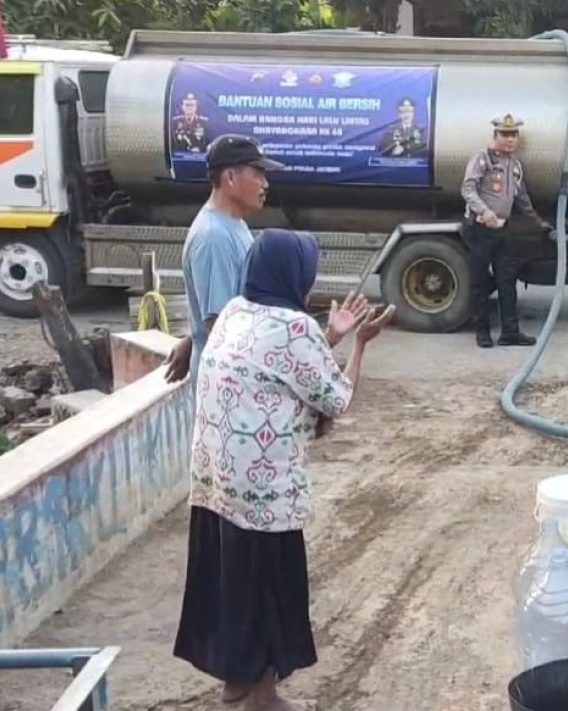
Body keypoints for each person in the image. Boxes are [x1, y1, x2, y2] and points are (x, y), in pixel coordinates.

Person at [174, 228, 395, 711]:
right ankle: (264, 698)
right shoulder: (296, 329)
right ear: (295, 276)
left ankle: (236, 682)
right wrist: (360, 343)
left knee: (231, 582)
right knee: (266, 591)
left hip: (215, 484)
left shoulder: (235, 312)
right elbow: (335, 398)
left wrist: (330, 334)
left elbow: (278, 370)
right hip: (263, 493)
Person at [162, 134, 281, 385]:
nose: (265, 184)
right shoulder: (214, 237)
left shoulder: (232, 223)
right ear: (229, 177)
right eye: (257, 173)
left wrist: (191, 339)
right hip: (226, 387)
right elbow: (220, 325)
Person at [459, 113, 553, 349]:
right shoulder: (483, 160)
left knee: (507, 281)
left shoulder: (515, 165)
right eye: (505, 135)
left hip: (503, 229)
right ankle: (482, 333)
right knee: (479, 283)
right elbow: (468, 189)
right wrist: (485, 211)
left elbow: (521, 198)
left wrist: (536, 221)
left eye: (514, 135)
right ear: (495, 136)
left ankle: (510, 332)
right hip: (480, 228)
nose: (511, 140)